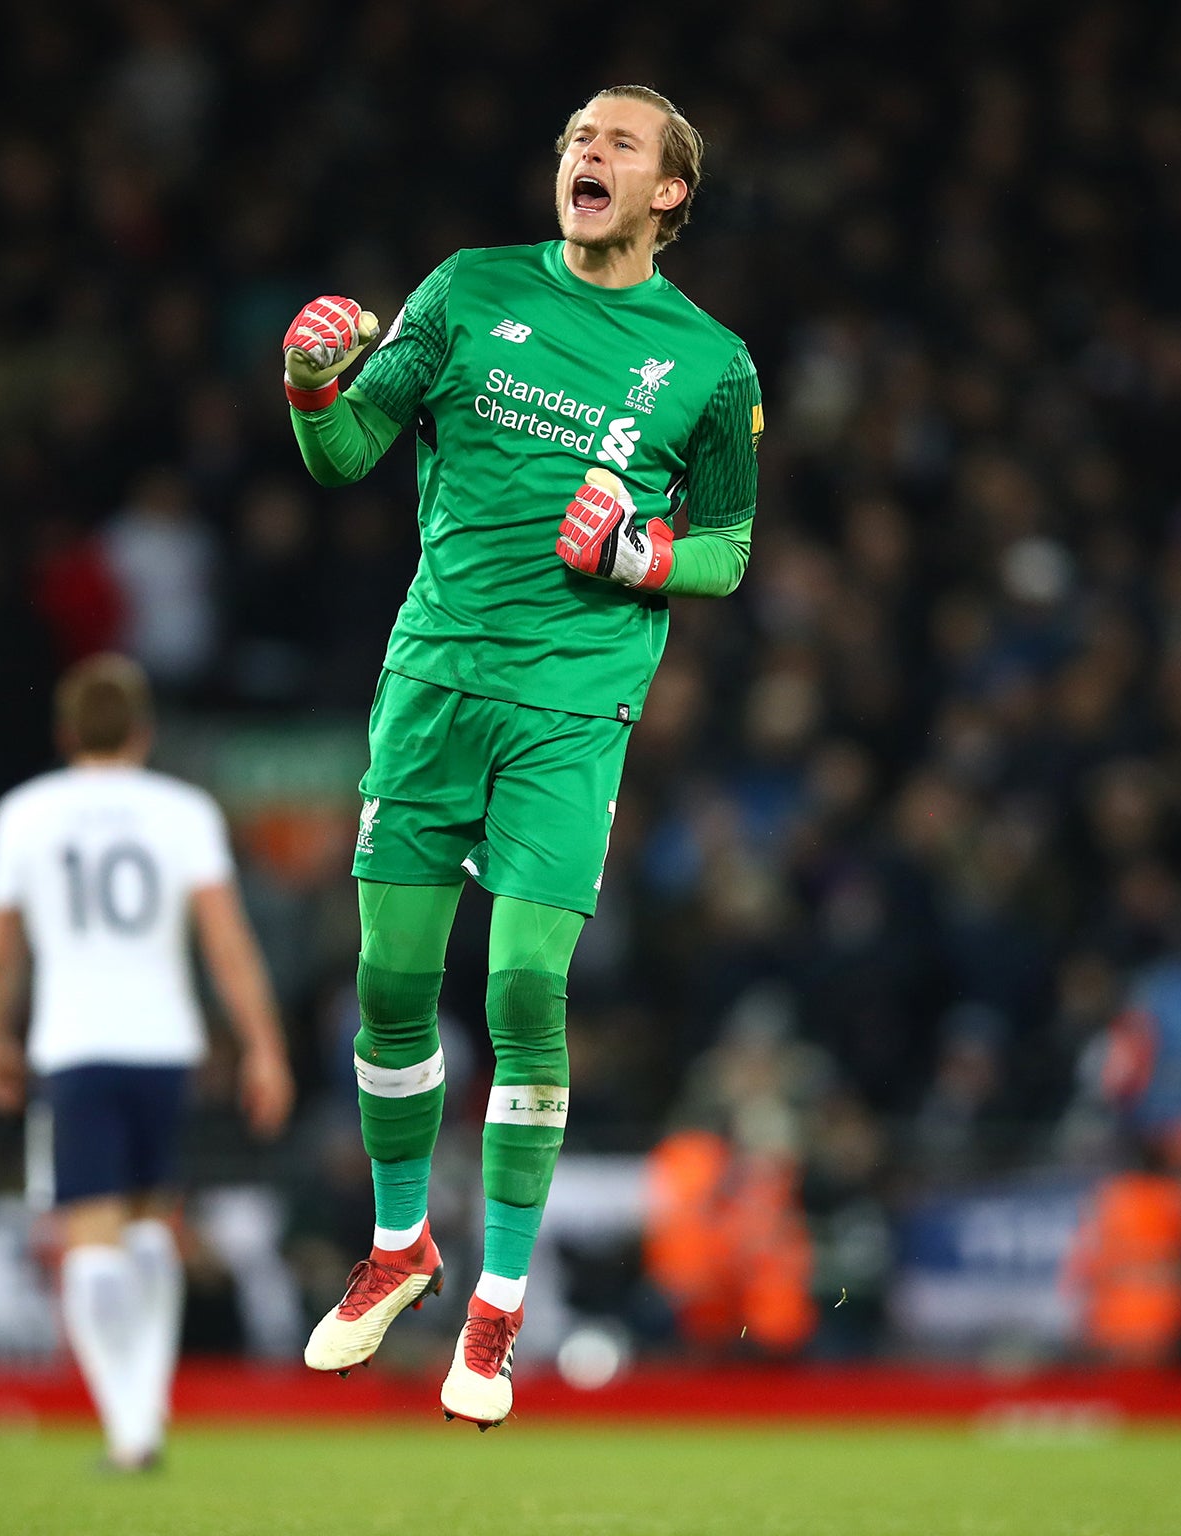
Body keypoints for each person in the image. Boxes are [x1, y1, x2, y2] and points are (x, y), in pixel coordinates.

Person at [282, 84, 763, 1428]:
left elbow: (727, 545)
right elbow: (344, 453)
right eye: (571, 140)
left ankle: (495, 1314)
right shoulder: (465, 289)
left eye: (616, 143)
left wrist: (637, 551)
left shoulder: (711, 364)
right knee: (388, 988)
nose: (583, 155)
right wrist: (311, 380)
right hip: (432, 680)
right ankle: (398, 1250)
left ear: (670, 191)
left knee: (524, 996)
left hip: (569, 710)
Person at [0, 653, 294, 1471]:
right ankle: (145, 1414)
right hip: (164, 1045)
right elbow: (226, 941)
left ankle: (128, 1425)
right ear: (144, 731)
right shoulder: (182, 811)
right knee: (152, 1232)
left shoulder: (25, 814)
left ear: (66, 731)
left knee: (92, 1238)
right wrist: (263, 1045)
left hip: (73, 1045)